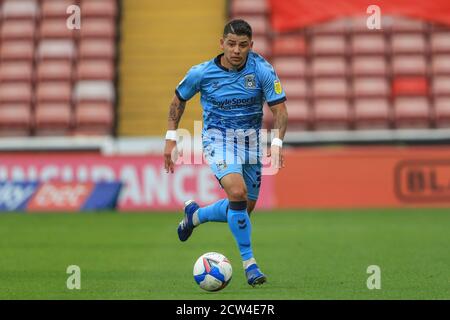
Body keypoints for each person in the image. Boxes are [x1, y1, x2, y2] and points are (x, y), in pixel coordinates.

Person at [163, 19, 288, 286]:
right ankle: (250, 265)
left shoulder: (263, 70)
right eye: (231, 44)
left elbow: (280, 110)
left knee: (243, 208)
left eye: (243, 45)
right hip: (218, 140)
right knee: (237, 193)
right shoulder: (202, 73)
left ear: (251, 46)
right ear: (221, 44)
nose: (236, 50)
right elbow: (178, 101)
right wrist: (170, 139)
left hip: (252, 143)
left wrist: (276, 144)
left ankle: (195, 216)